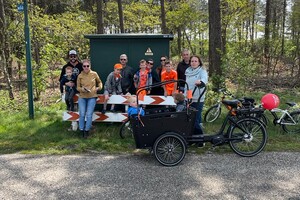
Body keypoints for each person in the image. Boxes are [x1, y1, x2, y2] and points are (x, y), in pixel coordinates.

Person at [77, 59, 103, 139]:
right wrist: (82, 89)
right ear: (82, 67)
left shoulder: (94, 74)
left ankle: (87, 131)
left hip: (92, 96)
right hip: (82, 97)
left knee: (89, 114)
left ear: (90, 66)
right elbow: (77, 87)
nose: (86, 67)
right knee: (81, 114)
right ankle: (81, 129)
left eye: (87, 66)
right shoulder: (80, 76)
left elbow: (100, 82)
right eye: (84, 66)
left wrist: (99, 88)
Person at [185, 55, 208, 138]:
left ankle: (201, 138)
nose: (193, 63)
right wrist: (187, 97)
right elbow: (187, 86)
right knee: (190, 119)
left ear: (199, 62)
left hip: (198, 98)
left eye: (195, 61)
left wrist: (201, 81)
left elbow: (204, 79)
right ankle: (193, 137)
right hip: (190, 97)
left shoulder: (202, 71)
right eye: (192, 61)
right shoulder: (188, 71)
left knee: (195, 119)